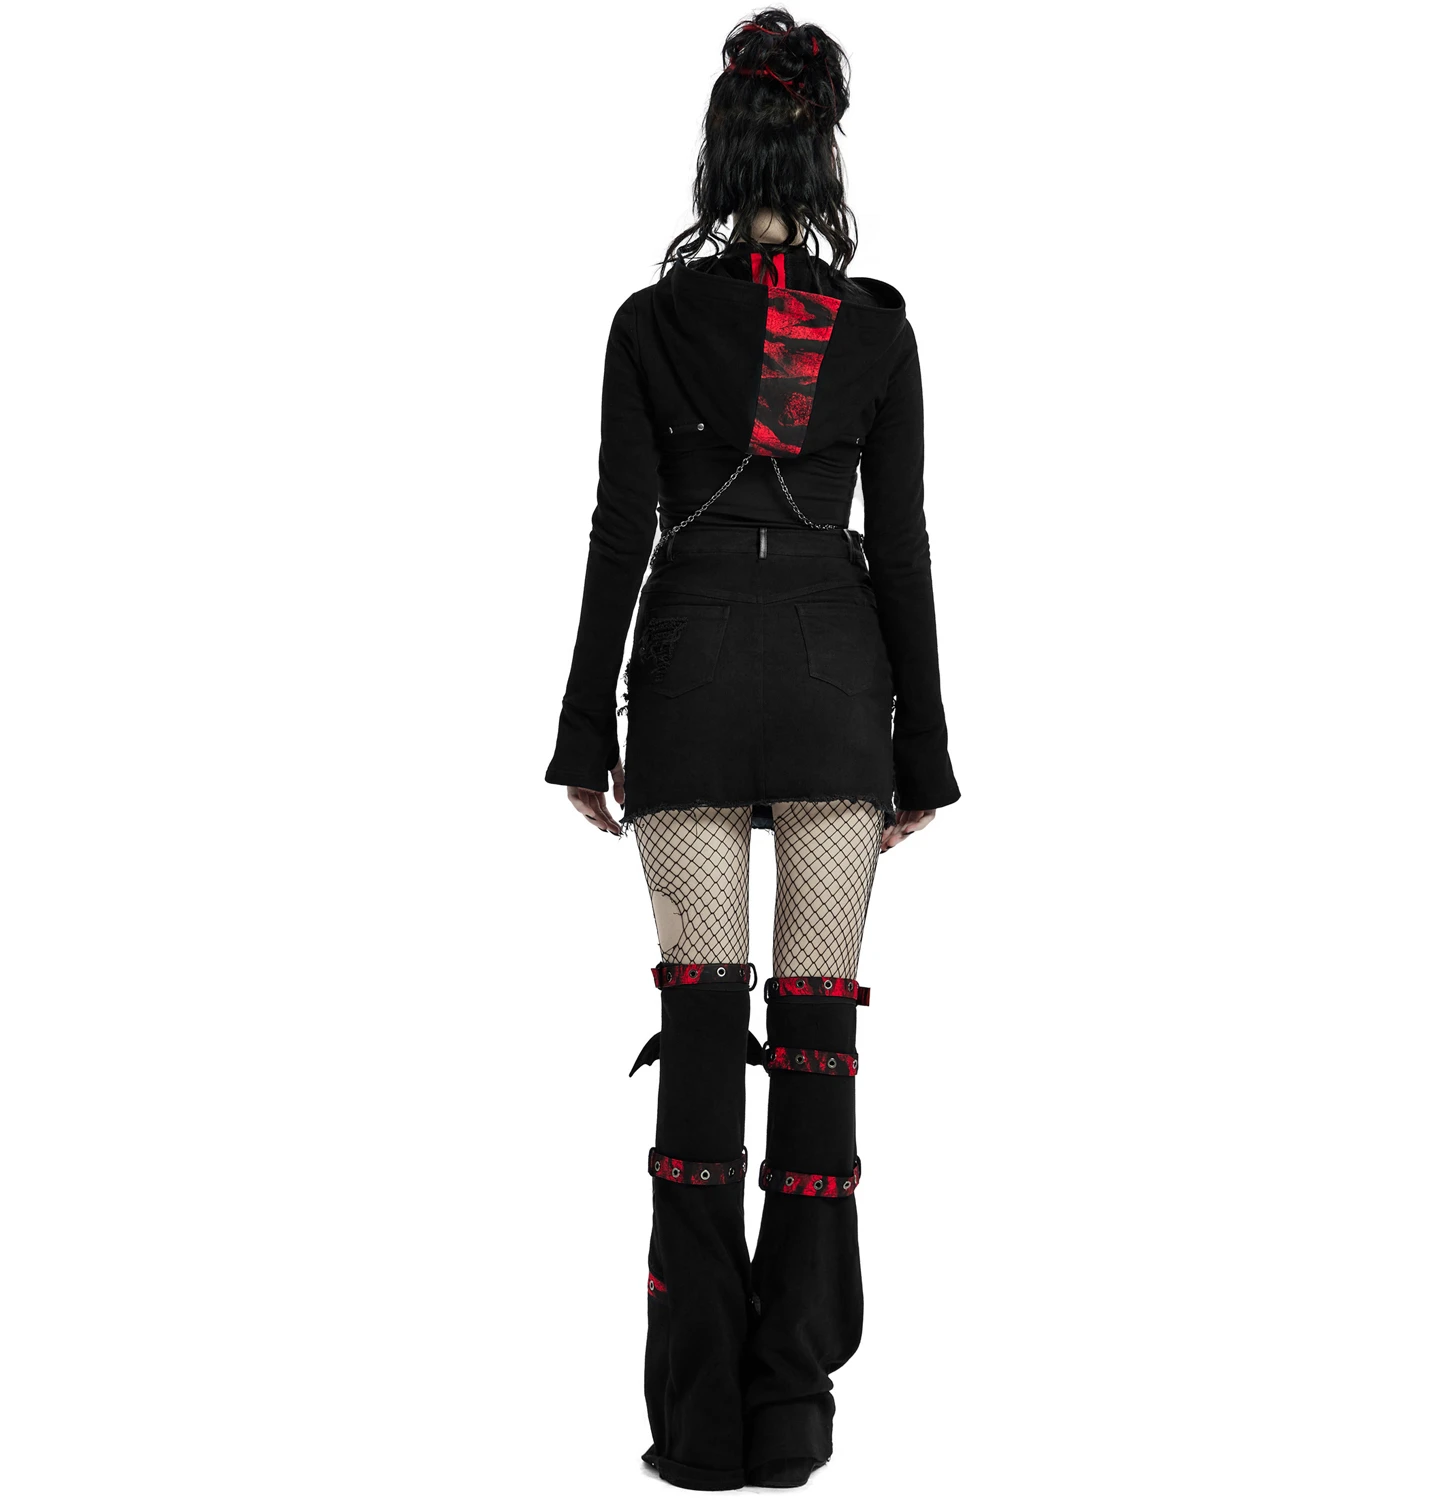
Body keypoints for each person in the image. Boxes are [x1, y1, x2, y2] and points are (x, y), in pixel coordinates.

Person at [545, 11, 960, 1488]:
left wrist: (580, 733)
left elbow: (619, 532)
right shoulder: (879, 330)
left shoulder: (648, 326)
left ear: (717, 157)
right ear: (823, 155)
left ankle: (699, 1417)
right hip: (837, 690)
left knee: (704, 1035)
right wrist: (926, 752)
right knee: (819, 1039)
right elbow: (900, 544)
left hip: (689, 687)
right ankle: (793, 1409)